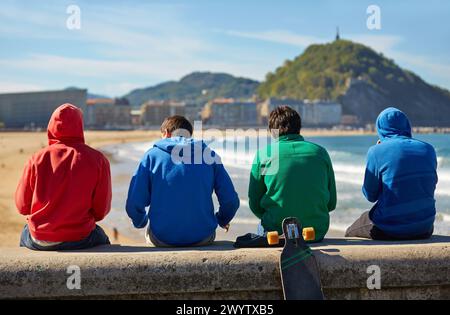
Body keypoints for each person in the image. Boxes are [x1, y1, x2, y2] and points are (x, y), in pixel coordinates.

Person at [126, 115, 239, 247]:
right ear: (189, 135)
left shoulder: (152, 156)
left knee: (151, 231)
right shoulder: (209, 155)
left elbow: (134, 202)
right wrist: (221, 219)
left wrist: (140, 221)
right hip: (203, 237)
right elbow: (231, 201)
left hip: (162, 238)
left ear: (166, 133)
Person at [16, 103, 112, 250]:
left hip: (40, 237)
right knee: (103, 239)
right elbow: (101, 211)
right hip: (80, 237)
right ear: (80, 126)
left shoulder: (37, 158)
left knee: (24, 235)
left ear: (51, 126)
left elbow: (22, 206)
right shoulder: (98, 159)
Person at [345, 107, 438, 240]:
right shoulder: (429, 149)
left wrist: (378, 152)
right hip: (425, 227)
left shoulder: (376, 151)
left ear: (380, 128)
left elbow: (370, 195)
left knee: (350, 232)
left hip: (389, 228)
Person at [248, 106, 337, 242]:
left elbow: (254, 203)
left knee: (262, 227)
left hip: (277, 233)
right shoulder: (320, 152)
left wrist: (275, 216)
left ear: (273, 131)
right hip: (315, 231)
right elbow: (331, 203)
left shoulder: (264, 154)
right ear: (299, 127)